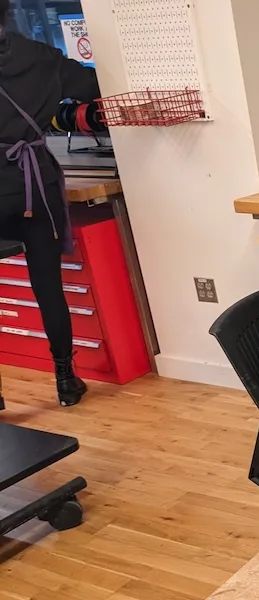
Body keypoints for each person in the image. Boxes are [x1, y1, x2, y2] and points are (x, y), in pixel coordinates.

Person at [0, 0, 97, 408]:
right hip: (35, 186)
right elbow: (93, 86)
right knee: (48, 287)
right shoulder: (40, 56)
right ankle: (65, 380)